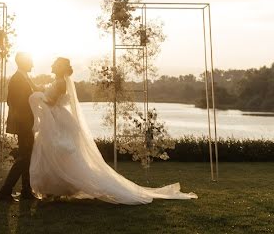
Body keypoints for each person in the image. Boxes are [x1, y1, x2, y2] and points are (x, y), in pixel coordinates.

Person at [28, 57, 197, 205]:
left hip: (57, 120)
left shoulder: (60, 83)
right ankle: (55, 190)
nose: (51, 65)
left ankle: (58, 189)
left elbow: (51, 102)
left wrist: (36, 98)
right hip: (55, 119)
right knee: (55, 153)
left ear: (59, 67)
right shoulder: (57, 82)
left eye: (54, 64)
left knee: (60, 152)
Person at [0, 52, 39, 201]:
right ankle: (5, 191)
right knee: (23, 158)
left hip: (27, 123)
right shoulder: (17, 79)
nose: (32, 65)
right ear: (23, 63)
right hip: (24, 124)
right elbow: (12, 101)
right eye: (30, 62)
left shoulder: (23, 78)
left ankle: (26, 190)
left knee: (27, 157)